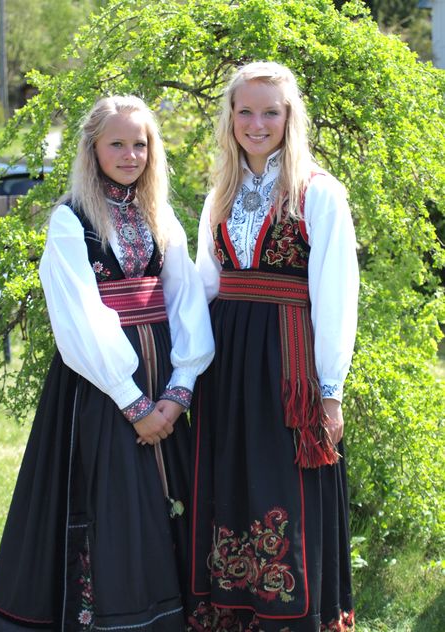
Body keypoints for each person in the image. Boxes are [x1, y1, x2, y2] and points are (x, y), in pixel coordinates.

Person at [0, 95, 214, 632]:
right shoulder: (71, 219)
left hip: (167, 382)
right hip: (103, 385)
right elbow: (79, 316)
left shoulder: (161, 214)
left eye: (140, 143)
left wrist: (179, 392)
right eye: (118, 143)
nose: (131, 154)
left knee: (172, 500)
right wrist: (134, 404)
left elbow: (186, 301)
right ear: (92, 147)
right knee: (116, 502)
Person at [187, 62, 359, 631]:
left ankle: (295, 616)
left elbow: (335, 295)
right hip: (227, 365)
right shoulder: (221, 194)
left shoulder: (318, 192)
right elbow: (203, 287)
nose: (257, 123)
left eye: (271, 112)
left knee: (285, 483)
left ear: (290, 118)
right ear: (230, 118)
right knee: (231, 479)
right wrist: (186, 372)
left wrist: (329, 391)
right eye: (245, 111)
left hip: (288, 365)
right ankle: (234, 612)